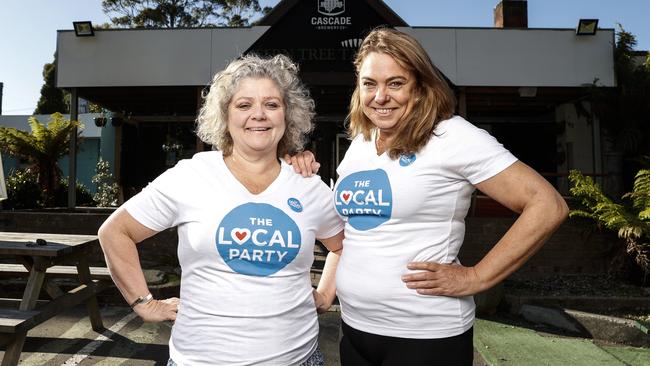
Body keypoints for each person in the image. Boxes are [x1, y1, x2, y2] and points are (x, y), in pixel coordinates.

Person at [289, 27, 569, 366]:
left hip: (425, 337)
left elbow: (547, 205)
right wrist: (325, 294)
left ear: (420, 86)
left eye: (395, 83)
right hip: (355, 330)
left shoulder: (451, 136)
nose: (380, 96)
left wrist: (476, 277)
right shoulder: (361, 144)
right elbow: (351, 233)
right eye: (369, 84)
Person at [98, 54, 344, 366]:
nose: (259, 115)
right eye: (244, 105)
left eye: (271, 104)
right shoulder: (192, 175)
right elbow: (115, 232)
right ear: (225, 115)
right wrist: (143, 303)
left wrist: (324, 295)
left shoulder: (308, 186)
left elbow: (341, 245)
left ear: (287, 115)